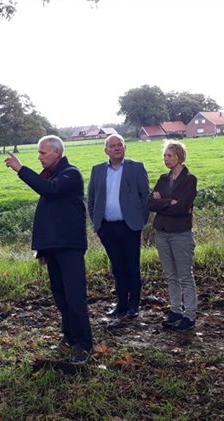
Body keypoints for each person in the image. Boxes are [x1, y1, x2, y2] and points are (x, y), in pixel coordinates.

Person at [5, 135, 93, 364]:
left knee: (75, 297)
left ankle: (83, 344)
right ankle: (69, 335)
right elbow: (48, 215)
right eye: (39, 152)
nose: (39, 157)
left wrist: (21, 170)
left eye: (43, 153)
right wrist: (42, 249)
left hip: (70, 247)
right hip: (54, 247)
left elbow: (50, 190)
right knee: (60, 295)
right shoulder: (53, 174)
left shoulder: (70, 174)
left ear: (57, 152)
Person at [87, 134, 149, 319]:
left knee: (132, 265)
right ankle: (121, 304)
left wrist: (140, 221)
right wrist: (97, 223)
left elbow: (145, 196)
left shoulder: (136, 168)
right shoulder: (97, 170)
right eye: (112, 146)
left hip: (130, 226)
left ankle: (134, 305)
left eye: (119, 145)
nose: (116, 148)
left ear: (124, 147)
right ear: (106, 150)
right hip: (107, 228)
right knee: (117, 267)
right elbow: (91, 198)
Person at [148, 141, 198, 332]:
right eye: (165, 156)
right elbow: (150, 204)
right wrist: (170, 202)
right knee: (171, 275)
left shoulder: (189, 179)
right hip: (162, 233)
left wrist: (163, 202)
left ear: (179, 156)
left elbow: (183, 207)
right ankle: (175, 310)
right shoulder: (162, 178)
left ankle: (190, 314)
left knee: (185, 275)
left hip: (180, 234)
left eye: (170, 155)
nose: (166, 159)